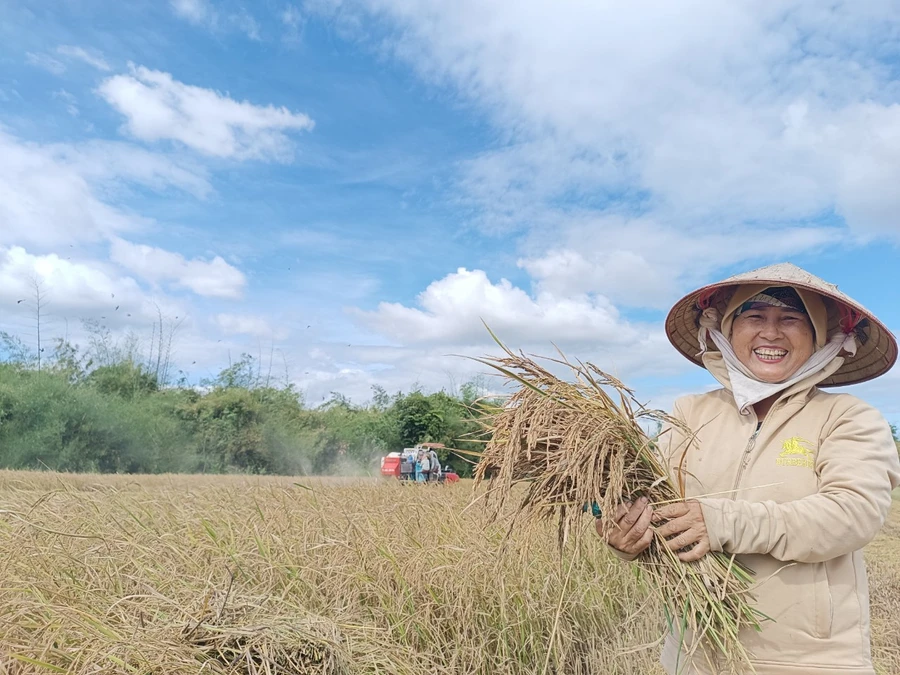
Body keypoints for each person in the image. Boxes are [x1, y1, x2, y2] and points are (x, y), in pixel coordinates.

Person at [601, 263, 900, 675]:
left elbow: (852, 514)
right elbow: (651, 501)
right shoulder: (689, 413)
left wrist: (722, 522)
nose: (771, 333)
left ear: (818, 340)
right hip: (694, 654)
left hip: (809, 661)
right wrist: (623, 534)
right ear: (724, 328)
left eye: (792, 319)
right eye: (754, 316)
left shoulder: (847, 417)